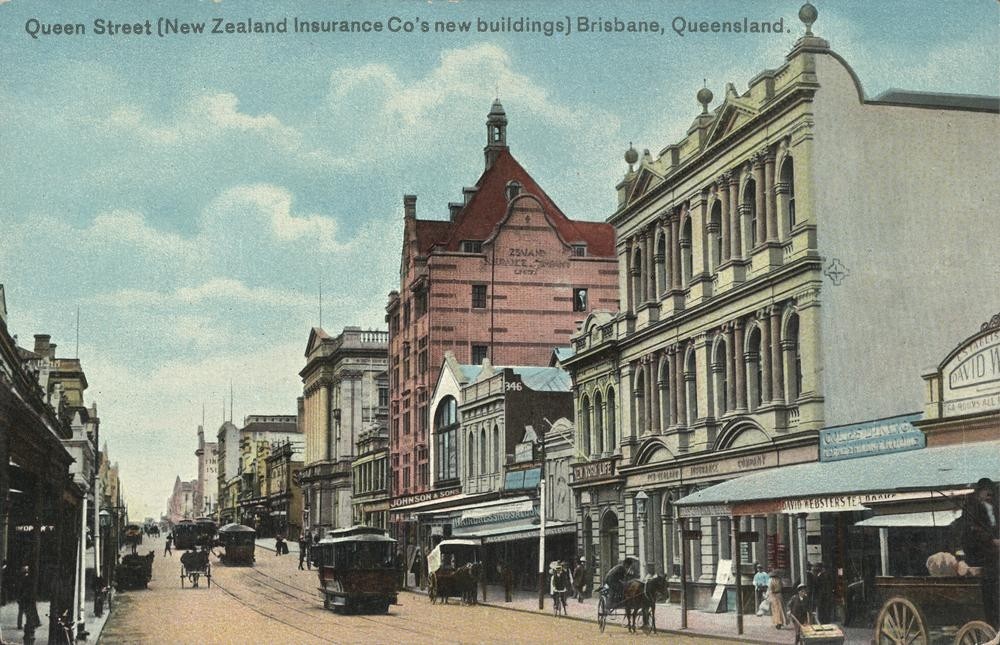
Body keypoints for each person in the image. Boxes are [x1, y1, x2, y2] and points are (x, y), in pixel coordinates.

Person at [962, 477, 1000, 629]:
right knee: (993, 575)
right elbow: (973, 531)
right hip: (978, 553)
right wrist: (992, 541)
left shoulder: (994, 508)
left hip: (992, 552)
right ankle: (992, 619)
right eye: (986, 491)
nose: (990, 493)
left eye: (991, 490)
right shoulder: (972, 507)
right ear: (979, 492)